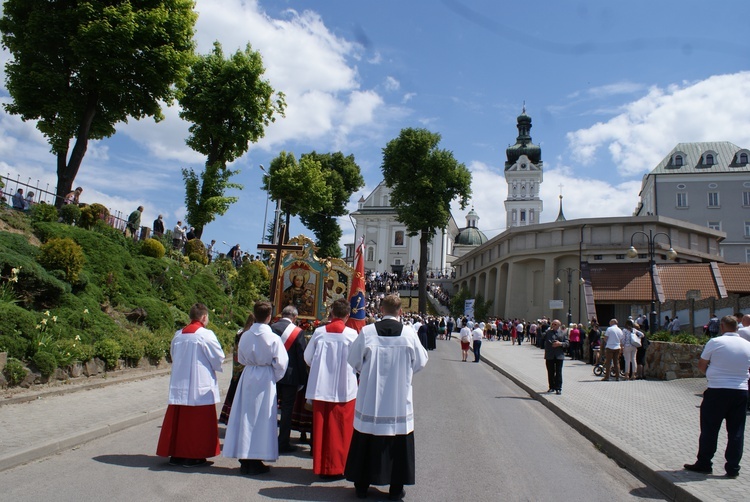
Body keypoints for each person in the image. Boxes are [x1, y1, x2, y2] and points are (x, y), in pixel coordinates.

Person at [345, 294, 429, 500]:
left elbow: (353, 360)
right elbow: (421, 362)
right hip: (398, 400)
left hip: (370, 399)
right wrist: (404, 374)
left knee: (367, 436)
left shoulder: (367, 332)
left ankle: (362, 486)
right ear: (401, 312)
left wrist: (366, 373)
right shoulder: (409, 335)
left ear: (381, 310)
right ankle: (395, 488)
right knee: (398, 441)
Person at [223, 301, 288, 475]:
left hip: (249, 374)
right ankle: (256, 458)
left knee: (245, 416)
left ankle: (245, 458)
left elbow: (241, 358)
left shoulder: (245, 335)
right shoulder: (273, 338)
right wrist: (273, 376)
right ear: (269, 316)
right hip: (266, 377)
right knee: (262, 418)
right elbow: (281, 363)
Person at [156, 303, 225, 467]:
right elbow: (218, 358)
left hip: (180, 383)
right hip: (199, 384)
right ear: (204, 317)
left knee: (179, 421)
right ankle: (193, 455)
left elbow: (173, 355)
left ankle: (177, 454)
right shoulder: (206, 335)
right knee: (197, 424)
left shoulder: (178, 335)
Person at [684, 316, 750, 478]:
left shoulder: (715, 342)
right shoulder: (748, 345)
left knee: (710, 429)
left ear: (721, 326)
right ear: (736, 327)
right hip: (740, 391)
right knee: (736, 431)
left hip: (717, 391)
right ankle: (733, 467)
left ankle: (705, 463)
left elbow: (701, 364)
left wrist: (712, 375)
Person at [304, 298, 359, 478]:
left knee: (321, 428)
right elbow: (359, 363)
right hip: (345, 389)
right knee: (342, 429)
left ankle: (322, 467)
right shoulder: (352, 335)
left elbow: (308, 358)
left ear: (332, 313)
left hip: (321, 387)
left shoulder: (319, 333)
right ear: (347, 315)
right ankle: (340, 466)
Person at [270, 306, 308, 454]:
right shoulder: (297, 332)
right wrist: (303, 379)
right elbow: (301, 358)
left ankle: (267, 439)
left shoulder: (271, 328)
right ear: (294, 317)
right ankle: (283, 442)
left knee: (270, 407)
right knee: (286, 410)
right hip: (289, 376)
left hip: (271, 374)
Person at [219, 315, 255, 425]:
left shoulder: (240, 333)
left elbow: (236, 350)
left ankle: (230, 417)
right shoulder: (249, 335)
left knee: (234, 392)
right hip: (246, 368)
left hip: (237, 367)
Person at [544, 319, 569, 395]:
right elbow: (542, 337)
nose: (553, 325)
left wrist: (560, 344)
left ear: (559, 325)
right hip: (550, 355)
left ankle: (558, 388)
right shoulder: (548, 332)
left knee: (558, 372)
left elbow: (567, 343)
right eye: (552, 324)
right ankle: (551, 387)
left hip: (559, 355)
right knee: (550, 371)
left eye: (555, 324)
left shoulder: (563, 333)